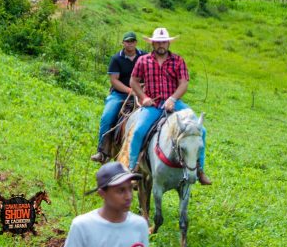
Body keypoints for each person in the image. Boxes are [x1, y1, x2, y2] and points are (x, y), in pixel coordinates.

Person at [128, 28, 211, 185]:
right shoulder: (143, 60)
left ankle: (199, 170)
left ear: (168, 43)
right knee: (138, 131)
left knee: (201, 131)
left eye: (164, 42)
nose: (161, 45)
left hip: (175, 104)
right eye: (158, 42)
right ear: (152, 43)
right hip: (153, 103)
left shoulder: (178, 60)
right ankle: (132, 169)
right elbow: (133, 81)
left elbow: (183, 83)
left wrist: (173, 98)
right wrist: (143, 97)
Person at [64, 162, 149, 247]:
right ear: (102, 193)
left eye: (130, 189)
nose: (129, 196)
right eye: (121, 190)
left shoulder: (140, 225)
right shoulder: (82, 227)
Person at [91, 32, 146, 163]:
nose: (130, 43)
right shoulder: (116, 59)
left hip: (143, 93)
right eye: (127, 41)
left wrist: (141, 90)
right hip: (120, 94)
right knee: (107, 116)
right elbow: (114, 80)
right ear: (123, 43)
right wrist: (130, 91)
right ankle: (102, 151)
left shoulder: (144, 56)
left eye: (132, 41)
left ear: (136, 43)